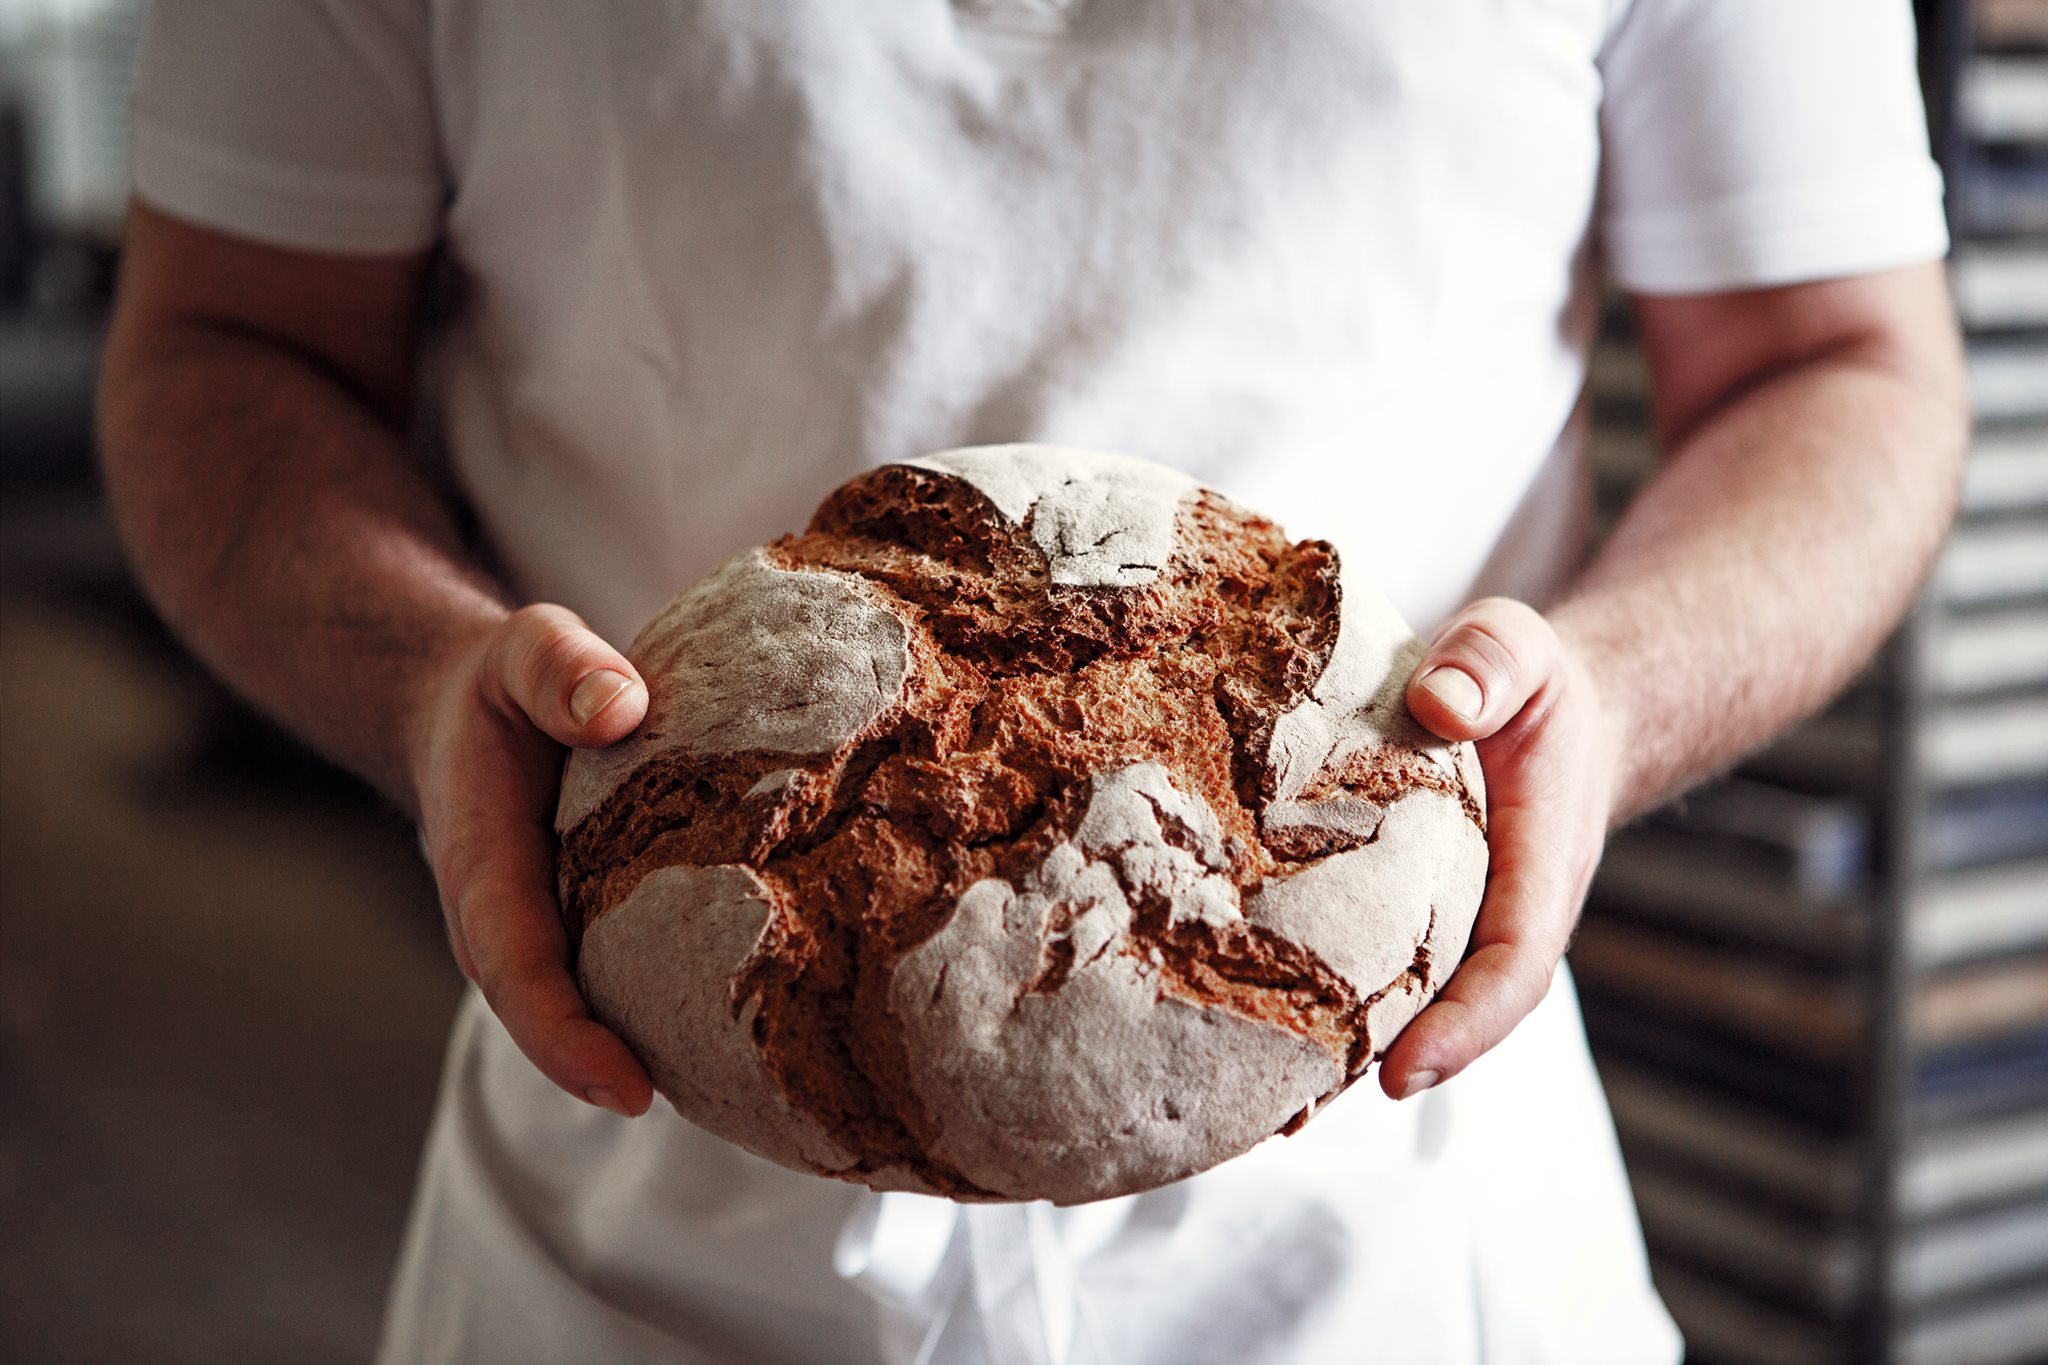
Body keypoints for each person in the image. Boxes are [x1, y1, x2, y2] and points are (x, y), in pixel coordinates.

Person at [98, 2, 1967, 1361]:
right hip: (629, 1189)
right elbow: (224, 346)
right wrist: (433, 681)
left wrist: (1614, 695)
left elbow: (1844, 361)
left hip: (1404, 1216)